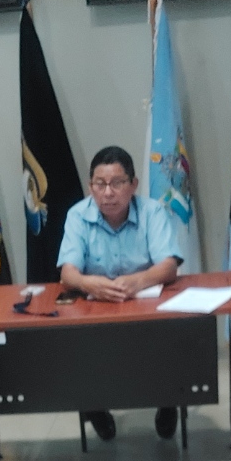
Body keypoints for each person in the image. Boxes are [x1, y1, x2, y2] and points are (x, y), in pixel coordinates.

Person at [57, 146, 184, 442]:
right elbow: (67, 274)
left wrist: (137, 281)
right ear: (91, 186)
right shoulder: (77, 215)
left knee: (170, 340)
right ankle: (95, 406)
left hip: (145, 308)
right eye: (100, 184)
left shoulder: (152, 211)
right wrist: (89, 283)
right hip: (97, 311)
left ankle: (168, 400)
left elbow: (169, 265)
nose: (108, 193)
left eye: (117, 183)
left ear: (133, 184)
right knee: (80, 347)